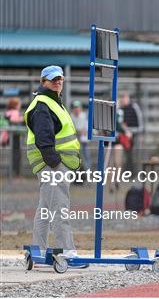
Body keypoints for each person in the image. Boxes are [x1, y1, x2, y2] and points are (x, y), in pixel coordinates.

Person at [24, 65, 87, 267]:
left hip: (53, 165)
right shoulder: (43, 104)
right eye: (52, 79)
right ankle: (67, 253)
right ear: (43, 82)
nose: (57, 82)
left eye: (60, 78)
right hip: (52, 166)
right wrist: (55, 164)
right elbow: (44, 139)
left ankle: (38, 252)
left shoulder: (53, 102)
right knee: (60, 209)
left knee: (45, 209)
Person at [120, 92, 144, 172]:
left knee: (134, 155)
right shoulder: (121, 109)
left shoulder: (134, 107)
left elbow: (140, 124)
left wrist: (134, 132)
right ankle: (127, 171)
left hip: (135, 134)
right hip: (124, 134)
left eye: (125, 98)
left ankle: (135, 172)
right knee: (126, 154)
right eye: (123, 98)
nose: (124, 100)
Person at [5, 97, 24, 176]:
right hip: (15, 136)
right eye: (19, 104)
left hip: (8, 136)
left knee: (13, 153)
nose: (20, 106)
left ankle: (12, 171)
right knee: (17, 154)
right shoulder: (15, 112)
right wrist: (22, 119)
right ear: (15, 105)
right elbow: (14, 120)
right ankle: (15, 172)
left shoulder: (8, 112)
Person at [70, 100, 91, 171]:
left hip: (83, 141)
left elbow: (86, 130)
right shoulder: (71, 117)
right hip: (74, 141)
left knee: (85, 157)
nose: (76, 109)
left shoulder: (84, 116)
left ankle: (87, 172)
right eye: (75, 108)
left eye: (78, 107)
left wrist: (79, 131)